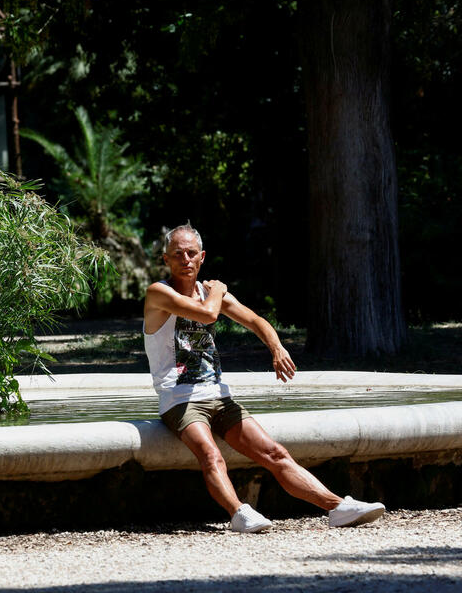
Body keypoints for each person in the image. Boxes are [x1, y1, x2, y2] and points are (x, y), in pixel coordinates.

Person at [142, 223, 385, 532]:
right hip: (179, 400)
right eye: (177, 254)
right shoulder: (159, 293)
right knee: (211, 454)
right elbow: (207, 314)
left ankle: (338, 507)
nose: (185, 259)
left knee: (275, 452)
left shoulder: (208, 293)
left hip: (219, 396)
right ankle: (239, 513)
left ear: (202, 257)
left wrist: (277, 347)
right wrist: (217, 291)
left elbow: (255, 319)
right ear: (165, 259)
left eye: (191, 253)